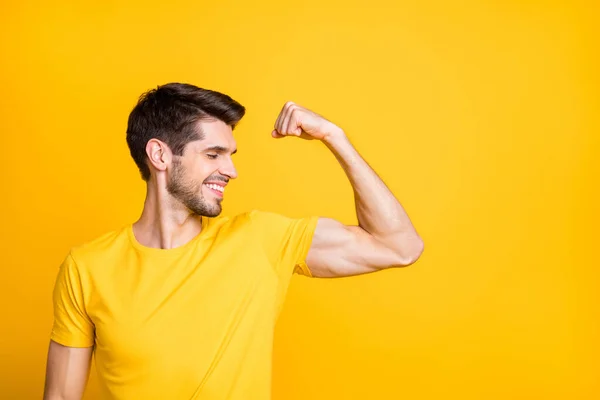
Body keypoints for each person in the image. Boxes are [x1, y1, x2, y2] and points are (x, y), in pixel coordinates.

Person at [42, 82, 424, 400]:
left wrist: (333, 137)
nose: (231, 170)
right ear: (160, 155)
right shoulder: (87, 266)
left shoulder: (260, 238)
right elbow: (60, 396)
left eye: (230, 155)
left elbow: (399, 247)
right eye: (213, 154)